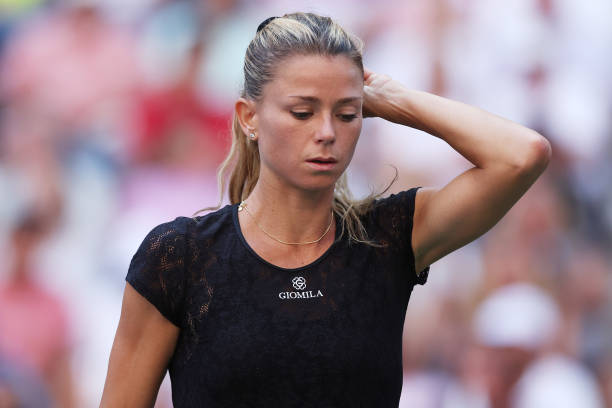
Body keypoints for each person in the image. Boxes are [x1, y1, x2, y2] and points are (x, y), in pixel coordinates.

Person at [100, 12, 551, 407]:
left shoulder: (388, 238)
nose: (327, 132)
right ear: (249, 117)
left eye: (347, 114)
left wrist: (398, 100)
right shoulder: (179, 256)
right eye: (302, 112)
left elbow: (522, 155)